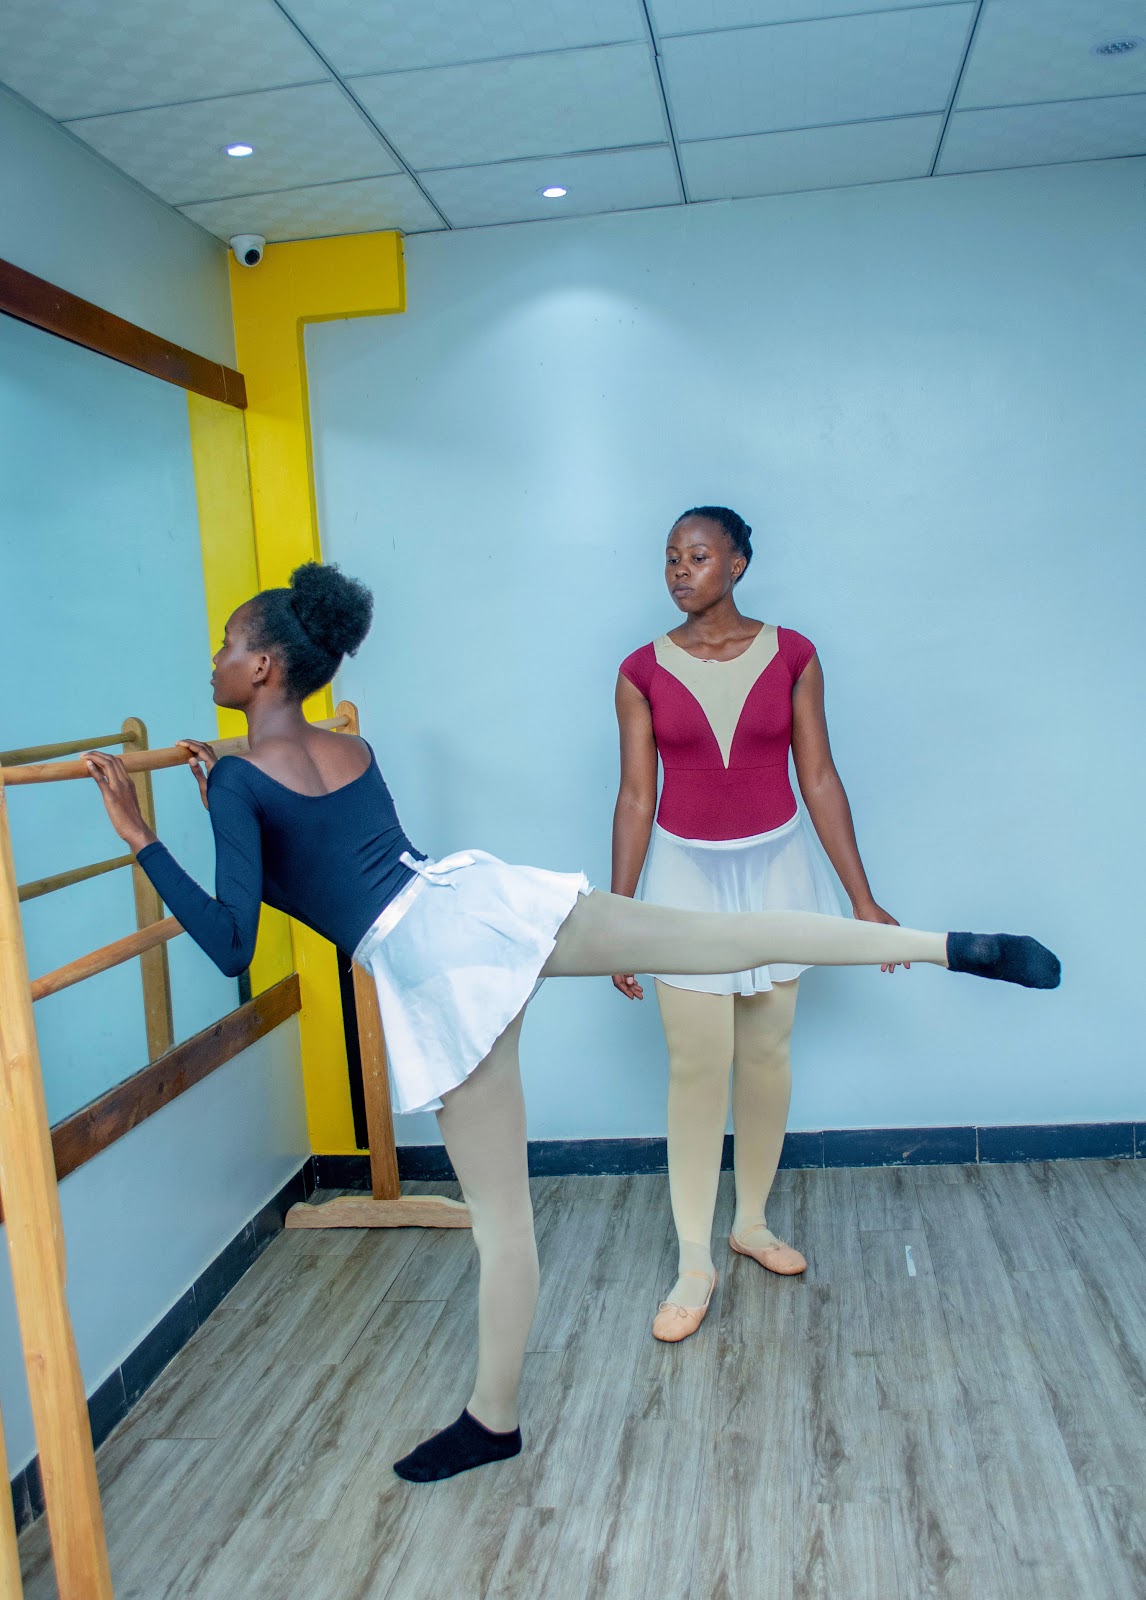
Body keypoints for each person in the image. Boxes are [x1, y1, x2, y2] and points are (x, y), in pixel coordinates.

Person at [87, 562, 1059, 1483]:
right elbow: (340, 850)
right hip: (475, 899)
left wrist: (143, 837)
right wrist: (225, 795)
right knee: (717, 937)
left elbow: (230, 941)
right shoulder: (347, 747)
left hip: (433, 966)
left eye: (224, 644)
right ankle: (947, 945)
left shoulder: (248, 784)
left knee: (505, 1226)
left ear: (261, 667)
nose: (212, 658)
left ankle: (492, 1421)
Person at [613, 505, 909, 1342]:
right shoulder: (639, 669)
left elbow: (817, 775)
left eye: (698, 556)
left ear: (738, 563)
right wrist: (623, 913)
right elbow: (636, 796)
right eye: (670, 557)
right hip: (682, 871)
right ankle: (693, 1261)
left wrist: (861, 898)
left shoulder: (796, 655)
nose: (679, 570)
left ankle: (752, 1223)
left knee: (770, 1047)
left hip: (779, 865)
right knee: (696, 1065)